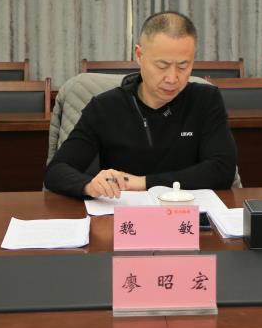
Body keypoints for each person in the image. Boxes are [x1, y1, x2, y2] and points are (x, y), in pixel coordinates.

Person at [45, 11, 237, 199]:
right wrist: (89, 186)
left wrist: (142, 182)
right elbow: (57, 171)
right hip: (122, 214)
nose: (172, 78)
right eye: (162, 65)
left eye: (183, 66)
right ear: (139, 55)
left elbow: (222, 170)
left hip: (188, 211)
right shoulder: (105, 107)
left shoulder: (205, 99)